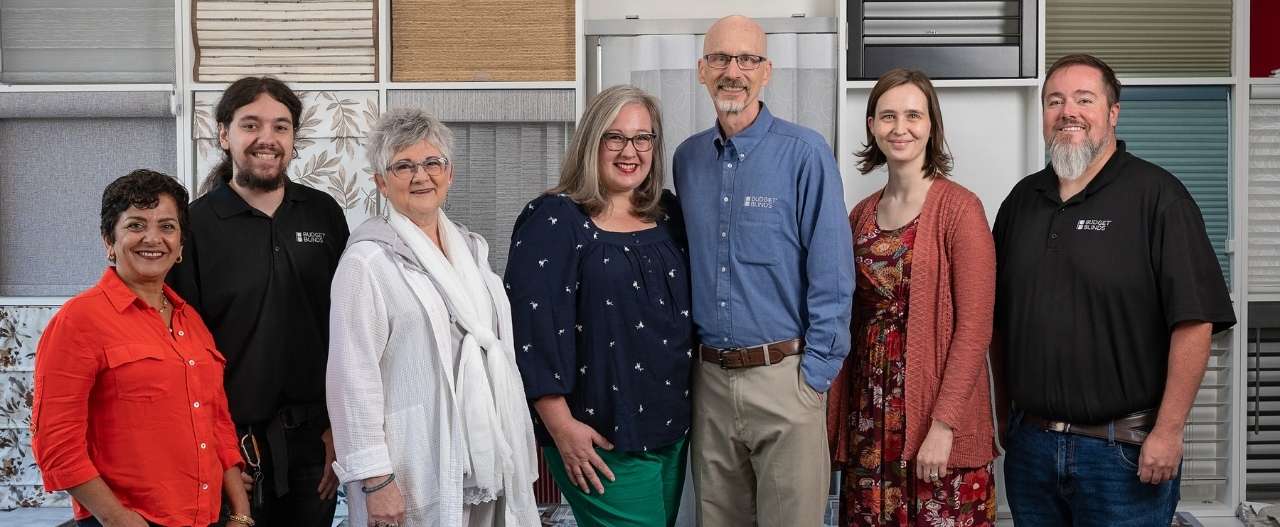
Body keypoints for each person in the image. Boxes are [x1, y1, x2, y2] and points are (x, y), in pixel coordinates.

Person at [993, 53, 1237, 525]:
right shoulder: (1021, 202)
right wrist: (1003, 414)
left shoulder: (1159, 197)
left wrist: (1168, 431)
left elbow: (1194, 322)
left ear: (1112, 112)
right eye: (1055, 101)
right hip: (1031, 451)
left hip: (1122, 454)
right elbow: (997, 322)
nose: (1068, 112)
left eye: (1085, 99)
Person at [672, 15, 854, 527]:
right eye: (720, 59)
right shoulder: (686, 161)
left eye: (747, 59)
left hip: (786, 380)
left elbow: (834, 276)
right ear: (701, 71)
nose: (734, 71)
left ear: (767, 71)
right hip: (708, 383)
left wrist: (813, 378)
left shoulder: (805, 154)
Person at [326, 108, 540, 527]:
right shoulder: (366, 263)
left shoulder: (472, 249)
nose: (420, 176)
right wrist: (375, 479)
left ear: (450, 173)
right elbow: (352, 380)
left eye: (431, 163)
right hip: (412, 459)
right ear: (381, 182)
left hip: (485, 455)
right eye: (403, 166)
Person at [506, 85, 695, 527]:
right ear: (592, 141)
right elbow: (529, 332)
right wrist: (560, 428)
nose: (630, 151)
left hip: (672, 429)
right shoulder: (554, 219)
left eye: (642, 138)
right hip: (598, 436)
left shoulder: (669, 214)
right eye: (615, 137)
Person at [169, 76, 349, 525]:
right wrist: (215, 449)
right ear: (224, 134)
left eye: (281, 127)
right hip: (232, 448)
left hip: (316, 446)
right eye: (251, 125)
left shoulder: (324, 213)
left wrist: (339, 428)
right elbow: (183, 351)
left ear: (293, 139)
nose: (267, 139)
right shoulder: (194, 226)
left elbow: (347, 331)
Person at [31, 170, 252, 527]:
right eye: (135, 225)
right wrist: (116, 517)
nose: (153, 238)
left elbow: (218, 425)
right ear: (109, 240)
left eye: (167, 227)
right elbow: (56, 445)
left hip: (208, 518)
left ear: (180, 246)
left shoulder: (190, 321)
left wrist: (241, 512)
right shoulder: (78, 320)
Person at [825, 69, 997, 526]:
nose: (900, 127)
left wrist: (944, 425)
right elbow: (843, 316)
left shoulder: (960, 209)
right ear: (871, 126)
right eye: (888, 116)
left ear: (931, 125)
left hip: (933, 419)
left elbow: (975, 327)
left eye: (913, 115)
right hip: (870, 416)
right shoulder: (859, 215)